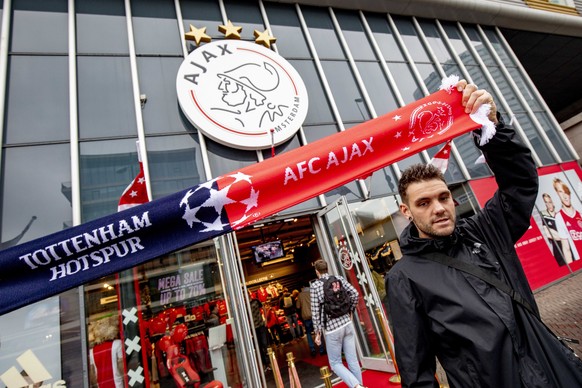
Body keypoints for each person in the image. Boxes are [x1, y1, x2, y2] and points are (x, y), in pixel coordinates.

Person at [386, 80, 582, 387]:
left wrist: (491, 129)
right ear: (406, 211)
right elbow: (416, 369)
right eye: (423, 203)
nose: (438, 208)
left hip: (551, 372)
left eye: (442, 197)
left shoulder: (484, 231)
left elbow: (519, 184)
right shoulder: (404, 277)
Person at [311, 259, 366, 388]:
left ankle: (357, 386)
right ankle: (360, 386)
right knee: (353, 361)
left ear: (317, 271)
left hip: (331, 329)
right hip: (347, 324)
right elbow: (355, 293)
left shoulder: (315, 286)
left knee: (335, 363)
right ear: (327, 268)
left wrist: (317, 333)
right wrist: (350, 311)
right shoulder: (338, 279)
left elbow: (315, 311)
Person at [553, 177, 582, 263]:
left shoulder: (580, 213)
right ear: (557, 193)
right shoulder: (559, 217)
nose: (565, 195)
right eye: (561, 191)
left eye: (566, 191)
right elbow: (566, 248)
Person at [296, 282, 325, 357]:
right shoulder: (312, 292)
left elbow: (298, 306)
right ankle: (321, 349)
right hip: (315, 314)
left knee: (308, 333)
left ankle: (312, 350)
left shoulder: (300, 295)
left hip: (306, 316)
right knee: (318, 331)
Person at [540, 192, 568, 265]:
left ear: (553, 202)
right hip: (558, 251)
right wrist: (563, 236)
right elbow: (548, 233)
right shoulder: (544, 217)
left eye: (550, 202)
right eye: (546, 202)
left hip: (567, 248)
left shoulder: (560, 216)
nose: (549, 205)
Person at [249, 291, 269, 370]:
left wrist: (266, 320)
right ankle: (264, 364)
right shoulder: (245, 305)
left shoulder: (256, 301)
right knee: (259, 346)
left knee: (264, 343)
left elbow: (263, 308)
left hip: (261, 325)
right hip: (253, 327)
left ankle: (268, 362)